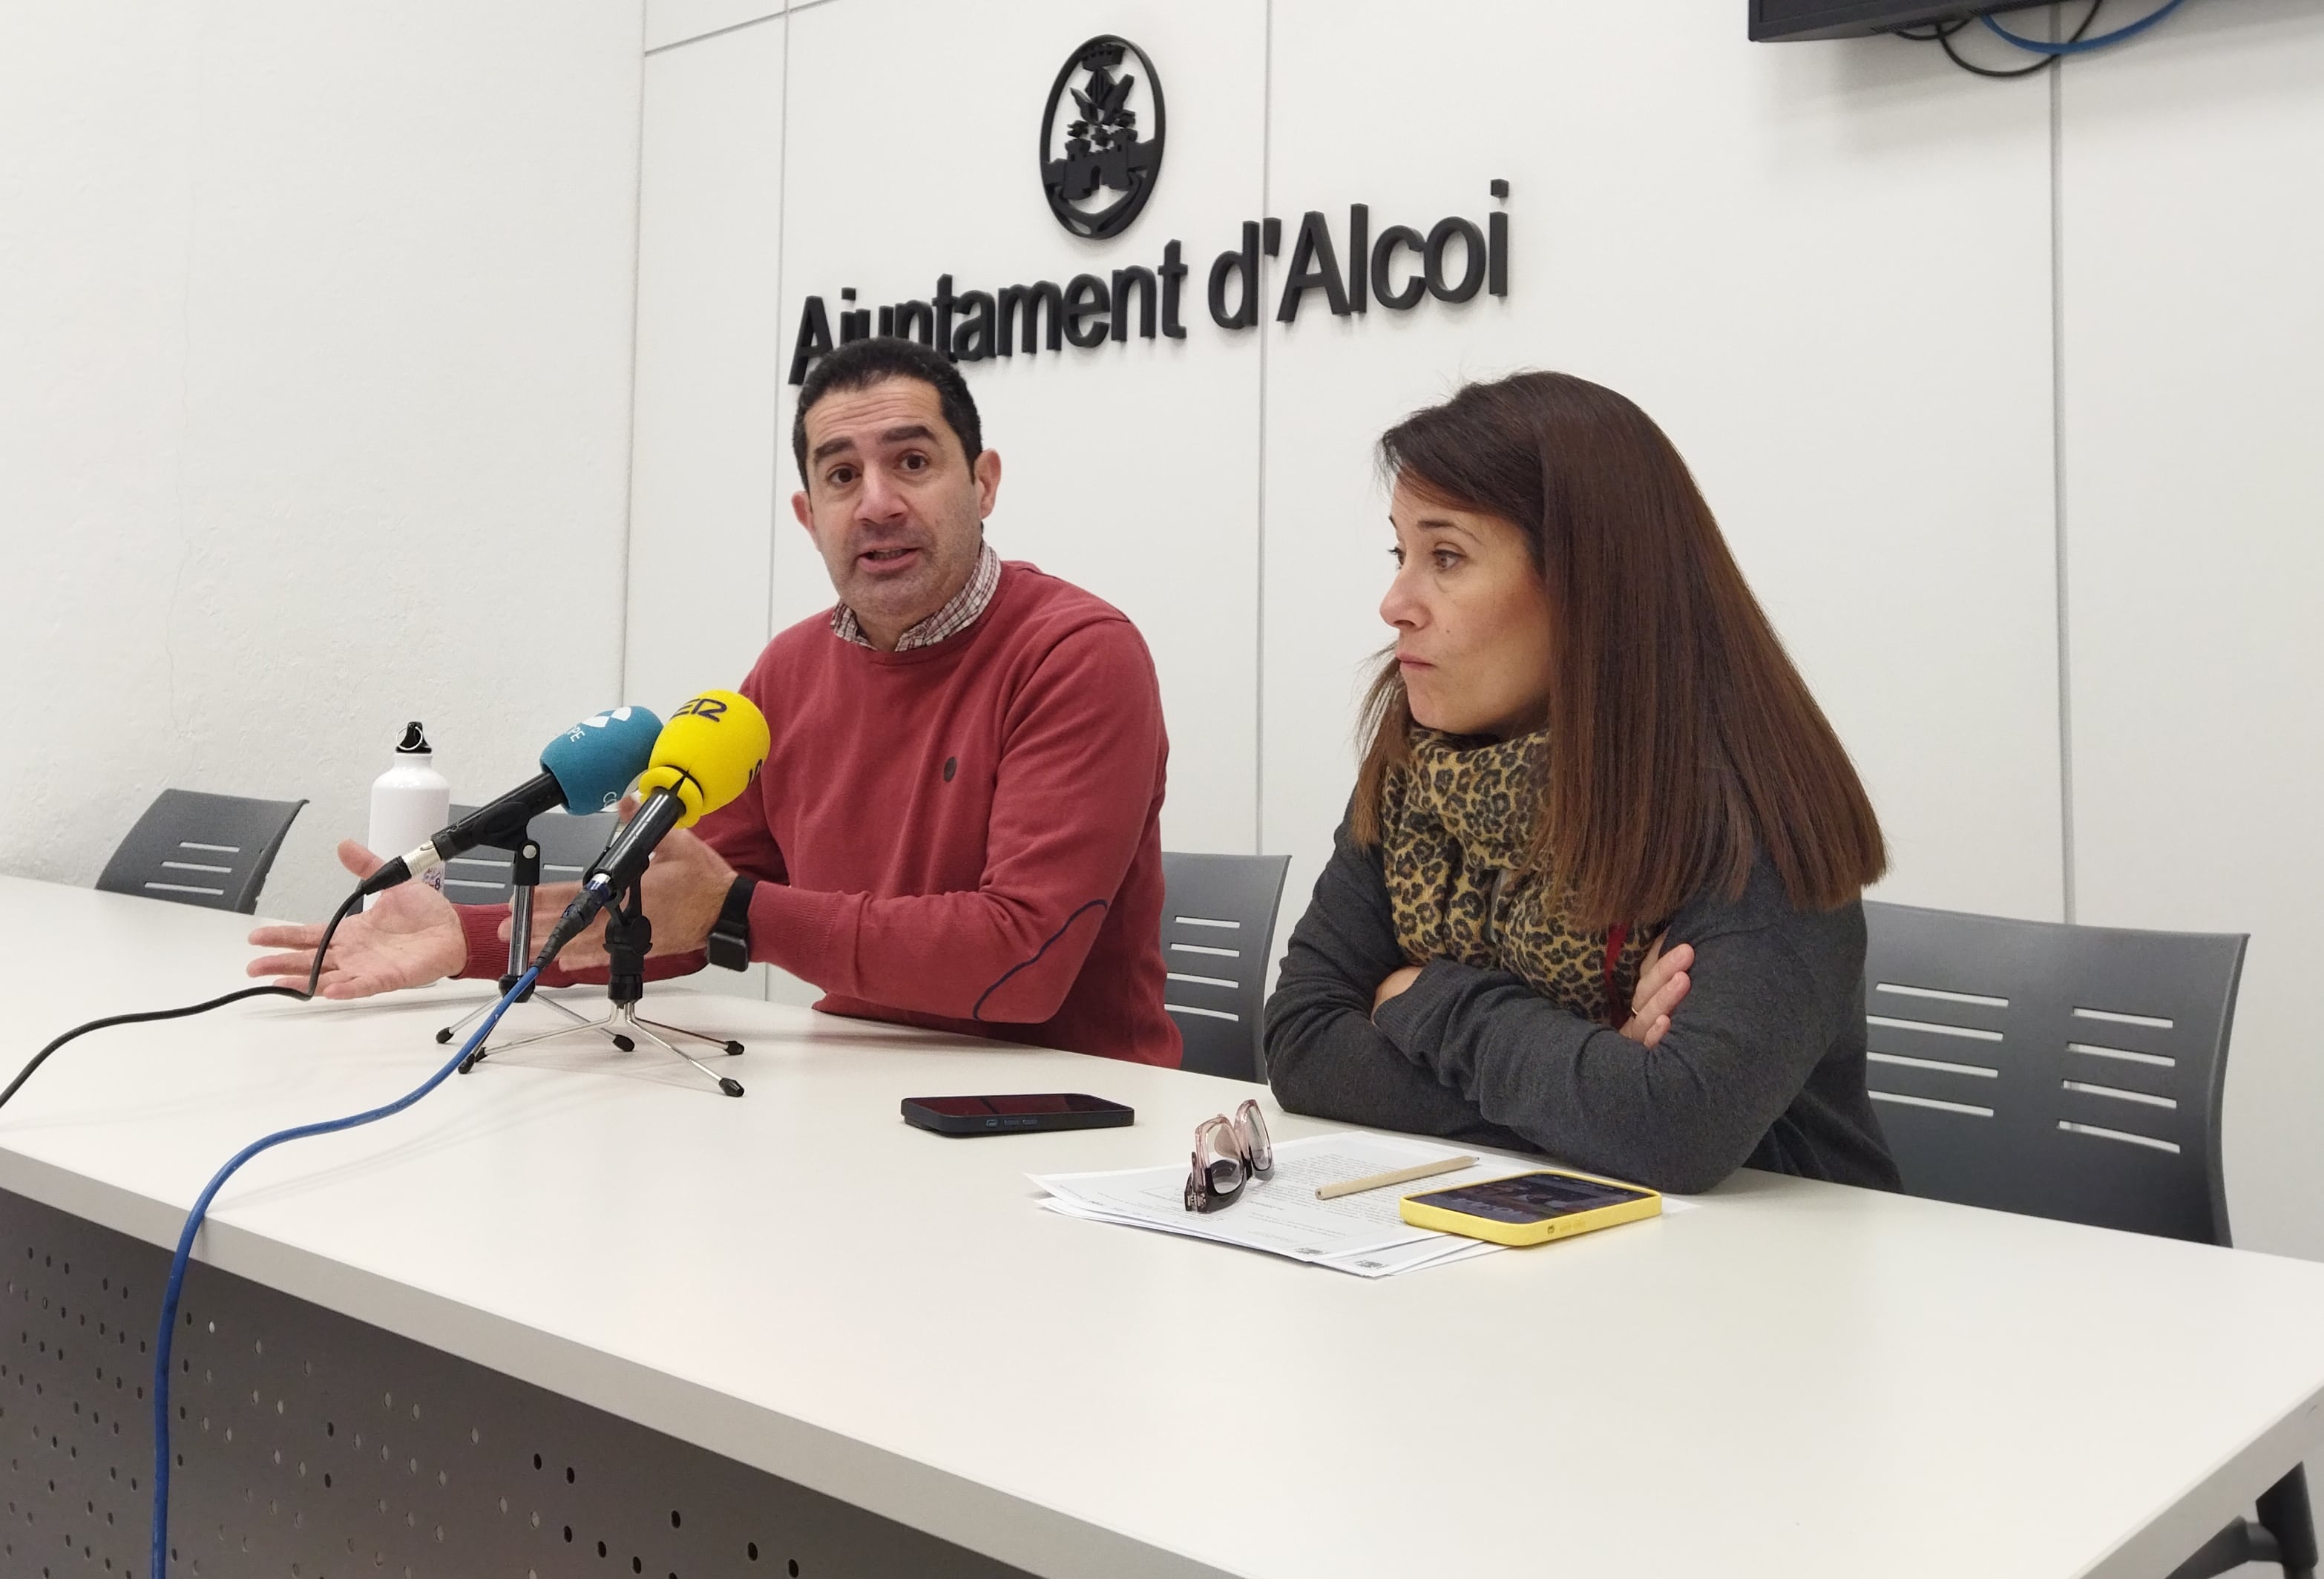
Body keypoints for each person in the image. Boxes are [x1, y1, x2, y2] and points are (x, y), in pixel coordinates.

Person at [251, 336, 1180, 1066]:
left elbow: (1021, 961)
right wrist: (471, 937)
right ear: (807, 515)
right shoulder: (788, 673)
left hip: (1070, 1116)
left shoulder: (1076, 656)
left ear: (982, 483)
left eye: (913, 462)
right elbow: (675, 905)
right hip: (861, 1087)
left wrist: (738, 909)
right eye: (842, 475)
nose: (879, 503)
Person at [1262, 371, 1899, 1193]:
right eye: (1401, 553)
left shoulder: (1753, 805)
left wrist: (1418, 996)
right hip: (1525, 1248)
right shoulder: (1418, 767)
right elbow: (1303, 1043)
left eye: (1446, 556)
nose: (1395, 602)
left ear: (1589, 584)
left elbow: (1675, 1130)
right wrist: (1591, 1072)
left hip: (1773, 1272)